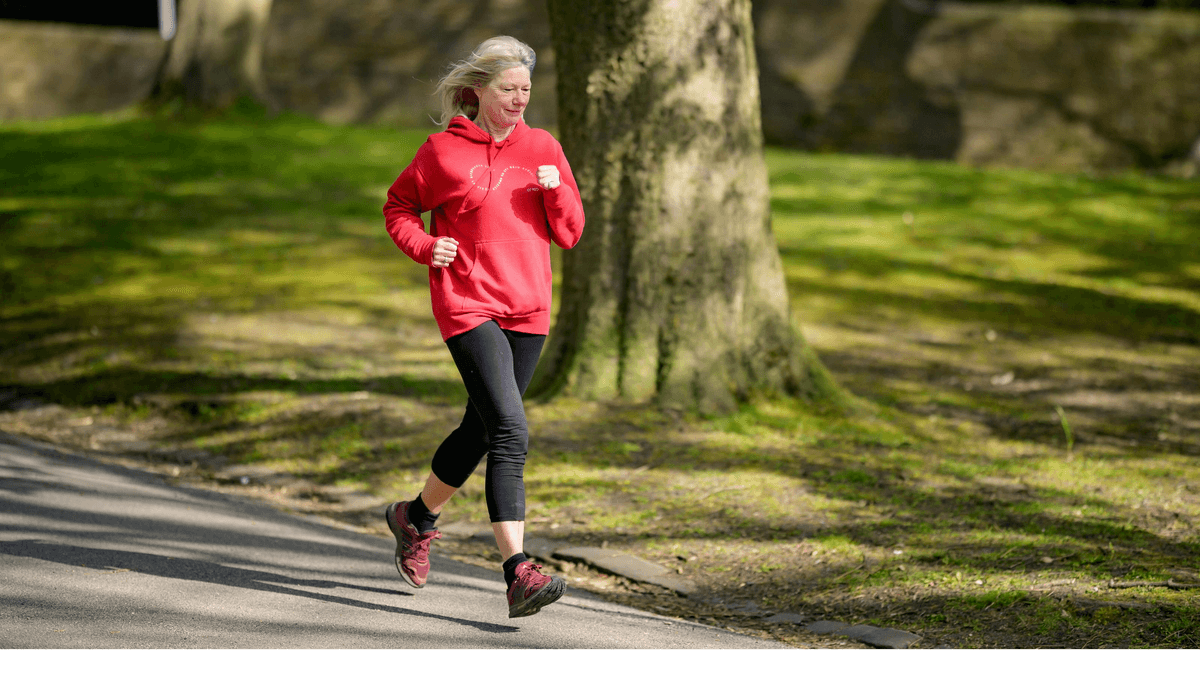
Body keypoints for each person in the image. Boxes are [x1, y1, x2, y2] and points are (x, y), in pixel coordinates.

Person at [381, 36, 585, 619]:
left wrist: (557, 189)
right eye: (507, 89)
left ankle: (415, 517)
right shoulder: (443, 151)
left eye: (525, 88)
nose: (519, 98)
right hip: (468, 303)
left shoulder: (544, 147)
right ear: (478, 91)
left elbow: (570, 233)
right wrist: (425, 244)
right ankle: (518, 570)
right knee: (510, 430)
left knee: (481, 427)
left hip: (529, 308)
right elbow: (398, 206)